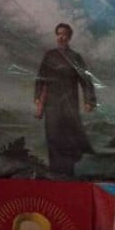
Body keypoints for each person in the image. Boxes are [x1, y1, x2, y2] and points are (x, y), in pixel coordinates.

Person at [34, 23, 97, 176]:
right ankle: (55, 171)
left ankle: (68, 172)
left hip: (70, 103)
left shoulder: (76, 57)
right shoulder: (49, 55)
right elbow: (40, 77)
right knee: (53, 135)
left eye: (65, 34)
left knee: (69, 137)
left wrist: (89, 100)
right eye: (59, 34)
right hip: (52, 103)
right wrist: (37, 96)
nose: (61, 37)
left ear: (69, 37)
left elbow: (85, 79)